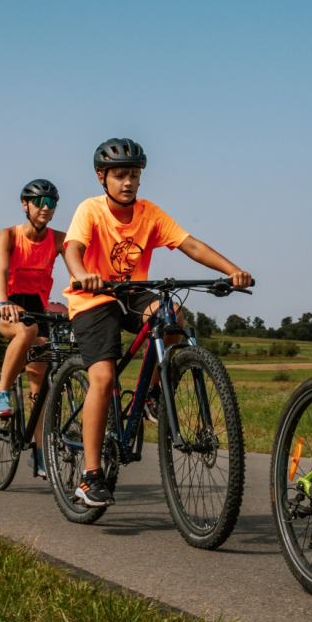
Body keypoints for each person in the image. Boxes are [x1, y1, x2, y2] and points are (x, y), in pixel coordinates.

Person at [64, 138, 251, 509]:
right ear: (102, 177)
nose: (128, 182)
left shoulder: (149, 213)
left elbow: (190, 245)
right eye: (119, 175)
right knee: (102, 378)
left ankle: (150, 395)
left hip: (131, 293)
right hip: (93, 297)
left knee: (172, 316)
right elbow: (73, 248)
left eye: (134, 175)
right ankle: (90, 475)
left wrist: (232, 271)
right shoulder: (90, 210)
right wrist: (82, 274)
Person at [0, 178, 69, 478]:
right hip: (1, 300)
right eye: (39, 202)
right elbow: (1, 270)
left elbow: (78, 266)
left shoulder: (59, 239)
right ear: (25, 205)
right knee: (26, 332)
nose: (45, 208)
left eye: (51, 203)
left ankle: (40, 451)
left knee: (40, 380)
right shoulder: (8, 235)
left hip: (35, 306)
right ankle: (2, 394)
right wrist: (4, 301)